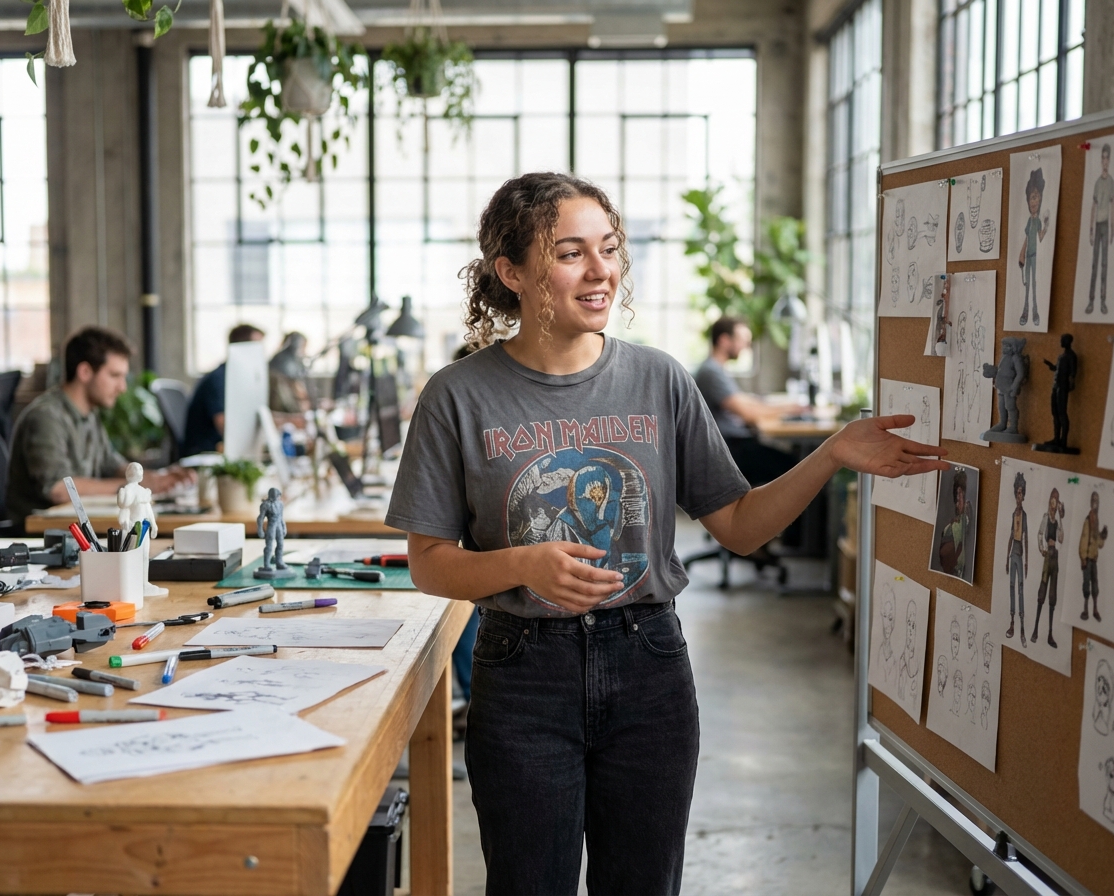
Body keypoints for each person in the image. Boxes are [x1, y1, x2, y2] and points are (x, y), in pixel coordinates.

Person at [384, 172, 945, 895]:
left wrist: (831, 453)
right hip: (524, 675)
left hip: (648, 667)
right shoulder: (457, 395)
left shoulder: (659, 380)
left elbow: (739, 525)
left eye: (609, 248)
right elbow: (429, 564)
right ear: (512, 273)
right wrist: (522, 564)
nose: (601, 270)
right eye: (571, 253)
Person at [6, 326, 194, 531]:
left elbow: (112, 465)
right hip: (42, 535)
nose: (122, 387)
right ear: (85, 372)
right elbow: (59, 489)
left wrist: (156, 477)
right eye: (114, 375)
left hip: (78, 529)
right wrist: (131, 488)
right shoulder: (46, 416)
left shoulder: (90, 414)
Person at [693, 317, 803, 487]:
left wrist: (785, 406)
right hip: (729, 449)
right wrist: (788, 410)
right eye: (742, 340)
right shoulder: (711, 372)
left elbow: (744, 401)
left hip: (733, 443)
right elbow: (748, 414)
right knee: (796, 466)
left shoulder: (717, 369)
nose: (746, 346)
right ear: (724, 340)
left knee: (793, 460)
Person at [181, 323, 265, 457]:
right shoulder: (219, 379)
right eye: (257, 348)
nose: (262, 354)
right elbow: (225, 425)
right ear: (242, 348)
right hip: (205, 452)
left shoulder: (239, 378)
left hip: (223, 450)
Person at [1032, 487, 1065, 648]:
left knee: (1052, 595)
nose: (1054, 503)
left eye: (1056, 500)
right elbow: (1040, 533)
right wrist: (1042, 548)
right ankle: (1035, 630)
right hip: (1047, 557)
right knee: (1042, 592)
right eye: (1053, 499)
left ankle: (1050, 634)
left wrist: (1061, 517)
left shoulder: (1057, 521)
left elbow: (1061, 538)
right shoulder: (1046, 517)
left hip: (1055, 557)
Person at [1087, 143, 1114, 315]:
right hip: (1097, 226)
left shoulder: (1111, 182)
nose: (1105, 161)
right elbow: (1093, 206)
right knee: (1095, 264)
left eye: (1107, 158)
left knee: (1104, 264)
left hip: (1105, 225)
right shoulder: (1097, 182)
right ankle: (1091, 300)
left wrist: (1112, 227)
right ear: (1101, 160)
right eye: (1102, 157)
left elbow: (1113, 204)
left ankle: (1102, 301)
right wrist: (1091, 229)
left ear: (1109, 160)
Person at [1018, 168, 1049, 327]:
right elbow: (1027, 238)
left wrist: (1047, 226)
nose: (1033, 202)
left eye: (1035, 197)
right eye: (1031, 198)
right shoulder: (1030, 220)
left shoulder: (1037, 221)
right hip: (1028, 258)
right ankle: (1025, 311)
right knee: (1027, 286)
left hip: (1036, 257)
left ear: (1040, 198)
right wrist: (1022, 254)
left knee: (1035, 285)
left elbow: (1040, 236)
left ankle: (1035, 311)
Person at [1005, 471, 1028, 645]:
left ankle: (1022, 627)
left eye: (1021, 493)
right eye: (1017, 493)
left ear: (1023, 495)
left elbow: (1025, 538)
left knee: (1020, 588)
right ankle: (1012, 622)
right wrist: (1006, 558)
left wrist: (1026, 561)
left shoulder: (1024, 515)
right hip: (1012, 554)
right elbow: (1011, 536)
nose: (1018, 496)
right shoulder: (1013, 514)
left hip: (1019, 555)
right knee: (1011, 587)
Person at [1079, 489, 1108, 622]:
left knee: (1095, 584)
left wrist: (1103, 536)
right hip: (1087, 560)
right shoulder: (1088, 520)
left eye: (1097, 501)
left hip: (1094, 559)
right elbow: (1084, 539)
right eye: (1094, 501)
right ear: (1091, 503)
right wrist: (1083, 557)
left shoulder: (1096, 521)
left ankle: (1095, 609)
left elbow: (1099, 543)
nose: (1095, 504)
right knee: (1086, 584)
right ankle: (1086, 609)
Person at [269, 331, 313, 413]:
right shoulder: (283, 359)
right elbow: (293, 382)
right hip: (281, 404)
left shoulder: (294, 359)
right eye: (303, 346)